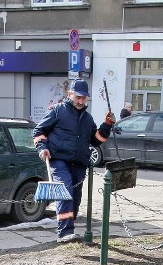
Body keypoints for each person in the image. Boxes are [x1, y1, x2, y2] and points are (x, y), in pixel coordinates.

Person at [32, 79, 114, 243]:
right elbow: (39, 131)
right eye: (78, 97)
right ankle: (64, 232)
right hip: (59, 160)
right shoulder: (57, 111)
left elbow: (96, 140)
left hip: (79, 164)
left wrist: (107, 125)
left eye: (84, 98)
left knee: (75, 198)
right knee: (65, 192)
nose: (81, 101)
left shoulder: (88, 119)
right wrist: (42, 148)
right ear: (70, 94)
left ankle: (70, 227)